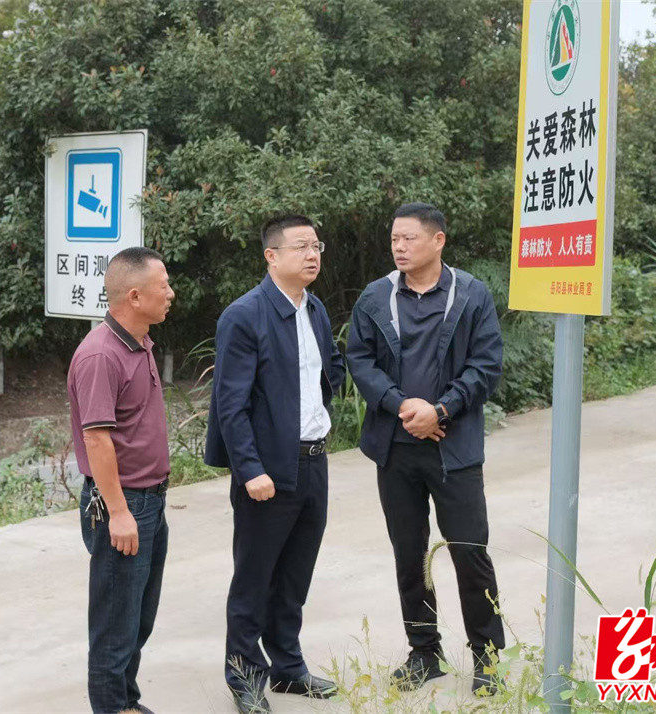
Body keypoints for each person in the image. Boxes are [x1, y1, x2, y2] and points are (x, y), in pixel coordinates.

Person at [346, 202, 506, 696]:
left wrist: (441, 410)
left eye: (409, 238)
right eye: (395, 239)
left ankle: (487, 657)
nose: (399, 247)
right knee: (410, 555)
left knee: (469, 553)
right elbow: (360, 360)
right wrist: (401, 405)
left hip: (454, 450)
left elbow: (486, 365)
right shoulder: (376, 296)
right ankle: (424, 653)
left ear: (438, 240)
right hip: (396, 449)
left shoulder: (470, 294)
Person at [205, 214, 345, 714]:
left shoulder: (315, 308)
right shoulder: (244, 315)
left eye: (317, 246)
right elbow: (231, 404)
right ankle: (244, 677)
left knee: (294, 576)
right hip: (267, 470)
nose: (312, 255)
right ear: (271, 256)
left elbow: (328, 369)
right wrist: (250, 469)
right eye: (301, 246)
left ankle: (287, 667)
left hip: (313, 461)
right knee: (255, 578)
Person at [68, 247, 175, 714]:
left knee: (137, 620)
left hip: (150, 502)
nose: (170, 293)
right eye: (163, 286)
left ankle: (127, 702)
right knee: (115, 627)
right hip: (124, 505)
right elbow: (97, 441)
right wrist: (119, 513)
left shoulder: (139, 341)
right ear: (134, 296)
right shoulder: (100, 355)